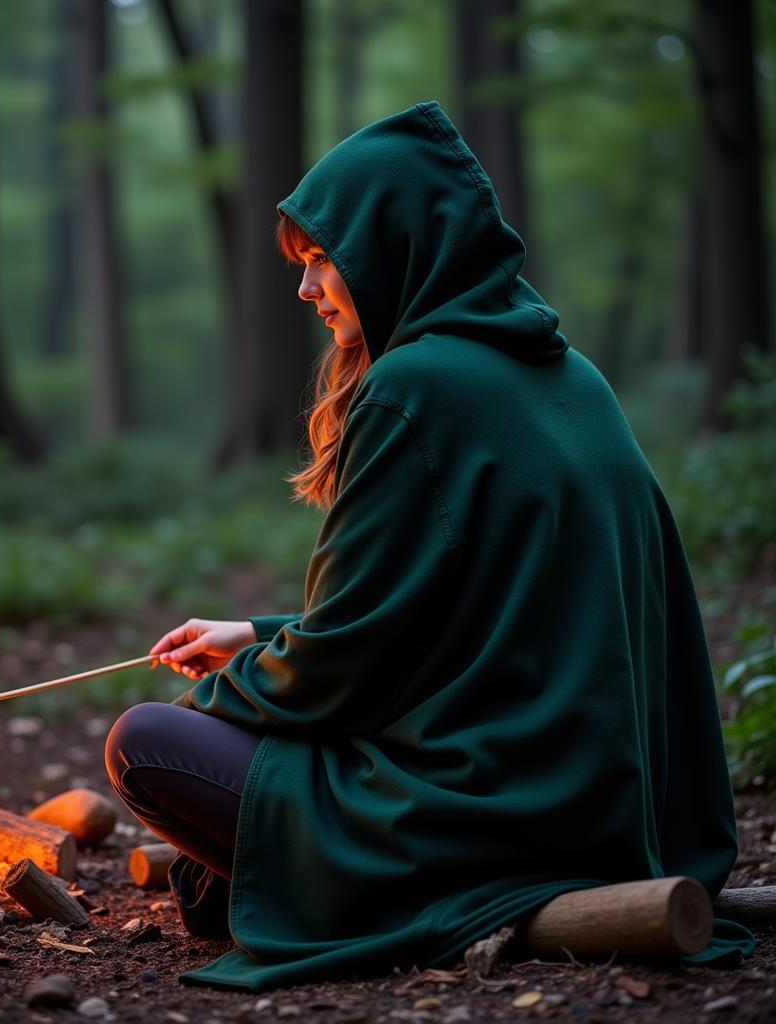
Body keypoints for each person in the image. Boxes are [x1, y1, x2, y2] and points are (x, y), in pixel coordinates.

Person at [104, 100, 755, 991]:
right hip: (605, 801)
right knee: (218, 818)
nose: (305, 291)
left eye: (322, 260)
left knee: (147, 744)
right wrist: (256, 635)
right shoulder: (569, 373)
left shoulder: (414, 388)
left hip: (488, 804)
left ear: (393, 247)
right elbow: (477, 603)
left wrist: (228, 695)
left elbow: (349, 664)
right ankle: (281, 879)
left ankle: (348, 890)